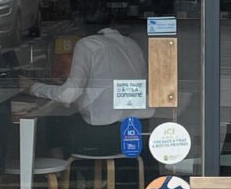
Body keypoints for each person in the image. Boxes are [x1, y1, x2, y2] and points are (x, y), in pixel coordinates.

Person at [19, 23, 154, 156]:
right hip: (139, 131)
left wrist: (32, 87)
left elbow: (68, 95)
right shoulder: (132, 44)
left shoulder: (87, 44)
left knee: (54, 120)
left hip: (105, 134)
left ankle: (60, 173)